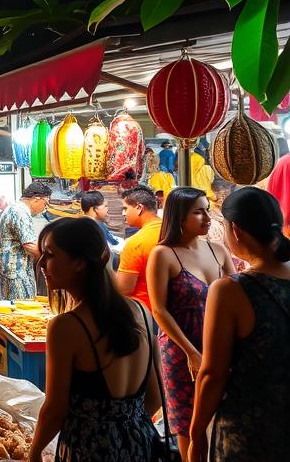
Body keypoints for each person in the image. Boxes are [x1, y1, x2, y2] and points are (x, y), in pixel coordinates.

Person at [28, 218, 162, 461]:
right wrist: (124, 426)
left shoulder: (66, 326)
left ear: (79, 262)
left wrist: (35, 452)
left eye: (50, 255)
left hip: (88, 449)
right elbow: (155, 398)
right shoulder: (141, 311)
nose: (42, 264)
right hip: (141, 442)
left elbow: (55, 410)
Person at [189, 187, 290, 462]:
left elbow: (213, 374)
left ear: (235, 230)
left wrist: (196, 433)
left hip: (250, 431)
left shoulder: (231, 290)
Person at [145, 186, 233, 461]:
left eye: (207, 209)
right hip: (180, 349)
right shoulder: (164, 254)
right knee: (186, 420)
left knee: (224, 415)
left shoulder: (218, 250)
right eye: (198, 212)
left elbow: (236, 294)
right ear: (179, 217)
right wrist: (190, 352)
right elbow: (159, 310)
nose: (207, 217)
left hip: (220, 346)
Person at [0, 182, 50, 300]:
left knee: (10, 306)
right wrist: (50, 260)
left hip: (10, 268)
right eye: (45, 204)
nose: (45, 209)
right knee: (21, 307)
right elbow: (29, 245)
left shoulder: (14, 207)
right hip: (16, 270)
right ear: (36, 199)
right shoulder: (20, 212)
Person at [115, 185, 162, 310]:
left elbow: (124, 289)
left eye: (125, 208)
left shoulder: (136, 243)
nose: (123, 213)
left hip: (146, 313)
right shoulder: (170, 231)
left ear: (139, 208)